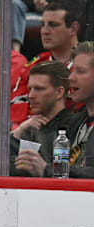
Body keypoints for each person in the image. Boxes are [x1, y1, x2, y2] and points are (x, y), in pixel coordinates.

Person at [11, 1, 81, 127]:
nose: (45, 31)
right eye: (42, 25)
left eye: (53, 25)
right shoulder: (35, 64)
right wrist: (20, 128)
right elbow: (16, 105)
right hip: (32, 135)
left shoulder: (88, 65)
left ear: (73, 29)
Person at [7, 61, 72, 177]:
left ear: (59, 92)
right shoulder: (30, 127)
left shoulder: (74, 127)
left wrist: (45, 169)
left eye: (39, 89)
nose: (31, 95)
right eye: (30, 89)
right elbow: (7, 167)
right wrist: (17, 133)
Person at [59, 41, 94, 178]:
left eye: (80, 71)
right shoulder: (74, 123)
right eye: (72, 71)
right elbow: (58, 164)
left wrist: (46, 169)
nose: (71, 78)